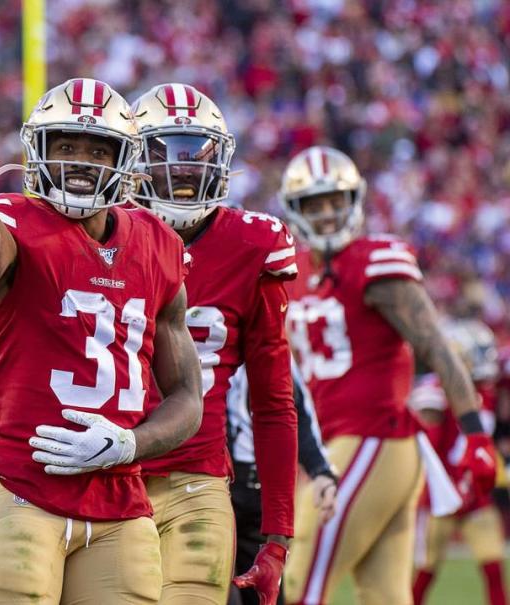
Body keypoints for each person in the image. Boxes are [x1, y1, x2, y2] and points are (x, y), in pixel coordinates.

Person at [0, 77, 203, 605]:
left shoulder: (159, 243)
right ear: (38, 152)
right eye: (65, 145)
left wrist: (129, 443)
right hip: (27, 490)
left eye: (98, 148)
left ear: (125, 158)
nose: (80, 161)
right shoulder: (16, 224)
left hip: (122, 499)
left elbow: (188, 396)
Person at [280, 146, 496, 605]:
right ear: (295, 211)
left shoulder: (376, 262)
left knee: (295, 584)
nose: (326, 213)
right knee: (386, 596)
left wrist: (475, 433)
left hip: (373, 438)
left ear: (354, 200)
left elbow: (434, 344)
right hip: (342, 443)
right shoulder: (292, 271)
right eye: (313, 204)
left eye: (335, 200)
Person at [127, 82, 298, 605]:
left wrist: (277, 536)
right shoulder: (97, 229)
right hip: (101, 478)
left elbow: (274, 403)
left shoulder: (253, 245)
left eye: (196, 154)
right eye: (169, 155)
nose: (184, 171)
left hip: (194, 477)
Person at [410, 319, 507, 605]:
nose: (484, 360)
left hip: (476, 496)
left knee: (493, 568)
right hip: (442, 498)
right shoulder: (436, 391)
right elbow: (427, 448)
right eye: (478, 352)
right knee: (424, 573)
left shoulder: (487, 391)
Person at [225, 360, 338, 605]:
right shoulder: (207, 336)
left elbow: (297, 409)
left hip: (260, 493)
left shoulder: (273, 346)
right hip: (214, 485)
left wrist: (320, 470)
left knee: (267, 596)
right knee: (216, 590)